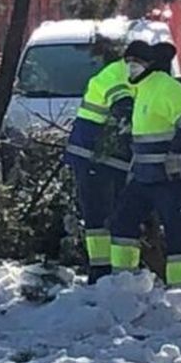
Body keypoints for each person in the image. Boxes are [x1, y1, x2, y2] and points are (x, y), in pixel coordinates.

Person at [111, 32, 181, 288]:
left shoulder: (166, 87)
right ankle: (123, 281)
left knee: (177, 233)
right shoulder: (141, 89)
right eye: (128, 62)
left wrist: (176, 154)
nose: (130, 68)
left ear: (149, 65)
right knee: (122, 223)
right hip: (144, 177)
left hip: (172, 177)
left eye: (136, 63)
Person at [64, 34, 135, 283]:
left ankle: (109, 271)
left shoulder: (120, 73)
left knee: (105, 216)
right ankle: (104, 272)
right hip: (96, 157)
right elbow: (124, 110)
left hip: (101, 158)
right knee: (101, 216)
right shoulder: (120, 76)